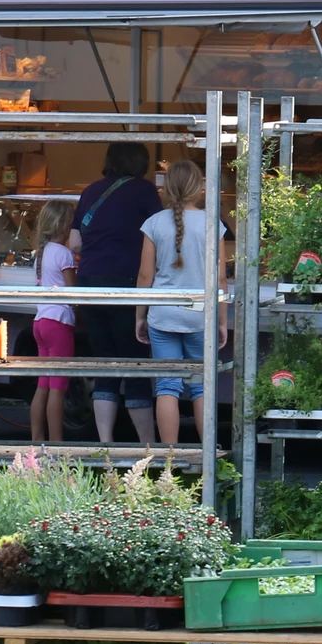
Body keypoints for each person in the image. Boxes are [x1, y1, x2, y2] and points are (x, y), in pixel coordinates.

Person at [69, 143, 162, 444]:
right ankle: (147, 450)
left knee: (105, 362)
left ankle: (105, 446)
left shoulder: (90, 191)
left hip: (90, 282)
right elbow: (161, 234)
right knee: (135, 364)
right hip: (126, 280)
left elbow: (74, 244)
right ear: (142, 163)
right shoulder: (145, 191)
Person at [134, 159, 228, 445]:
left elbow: (144, 275)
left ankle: (169, 460)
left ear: (167, 187)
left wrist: (140, 316)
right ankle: (206, 456)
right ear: (199, 187)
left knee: (167, 386)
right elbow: (221, 279)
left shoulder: (153, 224)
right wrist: (223, 321)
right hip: (201, 316)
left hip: (162, 315)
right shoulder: (212, 223)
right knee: (200, 388)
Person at [29, 200, 77, 443]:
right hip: (59, 321)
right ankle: (57, 445)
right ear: (62, 225)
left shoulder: (42, 252)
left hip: (40, 320)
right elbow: (73, 292)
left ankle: (37, 441)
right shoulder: (64, 254)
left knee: (43, 384)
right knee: (59, 385)